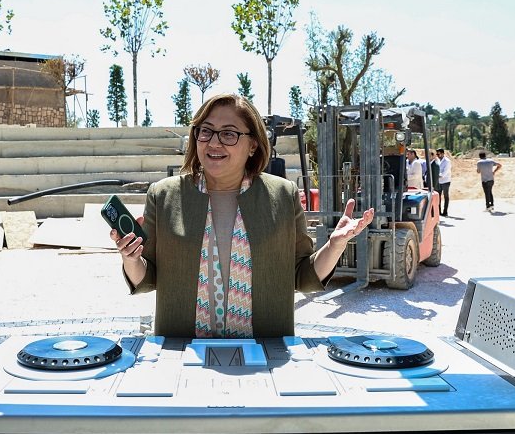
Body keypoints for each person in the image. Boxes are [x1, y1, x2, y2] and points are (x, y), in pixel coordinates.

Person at [111, 93, 375, 338]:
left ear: (253, 145)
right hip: (182, 351)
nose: (214, 142)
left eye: (228, 134)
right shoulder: (164, 195)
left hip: (265, 351)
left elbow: (302, 277)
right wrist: (130, 257)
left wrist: (335, 245)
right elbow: (147, 280)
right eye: (206, 132)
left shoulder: (283, 195)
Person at [436, 148, 451, 216]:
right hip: (439, 181)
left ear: (442, 153)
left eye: (438, 154)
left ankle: (445, 211)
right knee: (438, 197)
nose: (437, 155)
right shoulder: (437, 161)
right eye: (437, 154)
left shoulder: (447, 161)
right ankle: (438, 212)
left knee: (446, 196)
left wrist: (438, 176)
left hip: (445, 181)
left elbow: (445, 171)